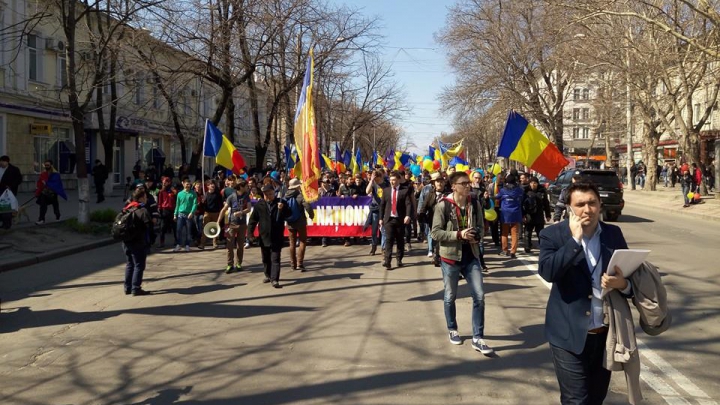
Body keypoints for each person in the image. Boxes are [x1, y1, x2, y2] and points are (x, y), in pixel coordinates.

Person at [538, 181, 632, 404]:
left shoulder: (613, 234)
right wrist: (574, 240)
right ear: (570, 208)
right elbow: (548, 272)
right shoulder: (552, 235)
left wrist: (623, 285)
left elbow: (630, 279)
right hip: (567, 334)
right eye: (580, 204)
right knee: (576, 399)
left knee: (596, 397)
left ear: (600, 204)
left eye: (592, 203)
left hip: (605, 334)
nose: (587, 209)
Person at [431, 171, 493, 355]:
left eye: (468, 183)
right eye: (463, 183)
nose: (468, 186)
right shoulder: (443, 205)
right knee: (450, 296)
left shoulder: (474, 203)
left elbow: (482, 227)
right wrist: (458, 235)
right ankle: (452, 328)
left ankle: (478, 337)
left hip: (471, 255)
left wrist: (477, 236)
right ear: (454, 186)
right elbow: (435, 233)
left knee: (479, 296)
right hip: (450, 257)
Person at [248, 184, 291, 288]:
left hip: (276, 235)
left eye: (271, 194)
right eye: (267, 194)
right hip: (264, 236)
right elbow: (253, 220)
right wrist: (250, 234)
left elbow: (289, 214)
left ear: (274, 193)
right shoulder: (260, 205)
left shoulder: (281, 202)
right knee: (266, 258)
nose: (269, 196)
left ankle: (275, 279)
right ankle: (268, 275)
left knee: (275, 258)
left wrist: (283, 209)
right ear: (263, 194)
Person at [121, 188, 152, 296]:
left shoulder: (127, 208)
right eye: (145, 197)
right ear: (141, 198)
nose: (146, 198)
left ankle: (127, 288)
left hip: (126, 241)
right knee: (139, 265)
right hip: (138, 241)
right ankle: (136, 288)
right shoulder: (142, 210)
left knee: (130, 264)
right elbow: (149, 226)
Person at [379, 170, 413, 269]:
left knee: (400, 240)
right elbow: (382, 206)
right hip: (389, 219)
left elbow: (408, 204)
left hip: (400, 219)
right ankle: (387, 261)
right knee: (389, 240)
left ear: (398, 180)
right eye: (391, 180)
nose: (392, 182)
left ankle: (399, 259)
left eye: (394, 180)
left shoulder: (404, 190)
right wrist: (381, 218)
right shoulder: (386, 191)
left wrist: (408, 215)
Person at [218, 180, 251, 273]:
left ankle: (239, 263)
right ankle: (229, 264)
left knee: (240, 246)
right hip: (232, 224)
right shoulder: (231, 197)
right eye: (245, 186)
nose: (247, 188)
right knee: (229, 245)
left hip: (242, 224)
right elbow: (224, 209)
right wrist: (218, 221)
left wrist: (241, 212)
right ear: (241, 187)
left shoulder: (246, 196)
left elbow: (248, 209)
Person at [285, 178, 314, 271]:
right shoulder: (300, 196)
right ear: (298, 186)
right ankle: (299, 263)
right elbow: (308, 207)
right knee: (302, 241)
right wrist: (311, 215)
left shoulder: (285, 196)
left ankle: (292, 264)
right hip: (300, 222)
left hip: (290, 223)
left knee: (292, 243)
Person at [417, 172, 445, 266]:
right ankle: (436, 256)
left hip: (447, 221)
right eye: (437, 182)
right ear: (434, 183)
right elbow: (424, 207)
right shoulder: (430, 194)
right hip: (433, 220)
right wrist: (421, 216)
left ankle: (442, 257)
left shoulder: (448, 194)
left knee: (443, 239)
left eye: (441, 181)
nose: (439, 184)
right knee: (435, 239)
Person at [495, 174, 524, 259]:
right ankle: (513, 251)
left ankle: (505, 250)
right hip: (516, 213)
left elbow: (497, 198)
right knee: (515, 233)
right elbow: (522, 199)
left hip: (505, 214)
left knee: (504, 232)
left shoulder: (503, 190)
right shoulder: (519, 190)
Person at [522, 176, 552, 253]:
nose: (533, 184)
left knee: (540, 232)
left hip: (539, 215)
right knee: (527, 232)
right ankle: (527, 246)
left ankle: (542, 246)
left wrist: (548, 215)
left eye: (535, 183)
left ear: (537, 184)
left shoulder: (542, 191)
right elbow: (521, 204)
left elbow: (546, 204)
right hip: (529, 215)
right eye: (531, 183)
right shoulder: (525, 191)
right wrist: (523, 215)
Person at [35, 160, 64, 225]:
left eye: (48, 165)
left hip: (52, 193)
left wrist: (48, 184)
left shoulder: (55, 174)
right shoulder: (43, 174)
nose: (46, 166)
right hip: (44, 192)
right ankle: (41, 219)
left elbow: (58, 184)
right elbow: (39, 184)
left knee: (55, 205)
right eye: (45, 165)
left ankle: (58, 217)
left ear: (51, 165)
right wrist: (37, 192)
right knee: (42, 206)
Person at [365, 170, 387, 255]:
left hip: (384, 209)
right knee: (374, 230)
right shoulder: (373, 183)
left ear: (381, 177)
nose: (376, 181)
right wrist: (371, 180)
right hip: (375, 208)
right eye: (375, 179)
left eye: (377, 179)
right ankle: (373, 247)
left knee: (383, 230)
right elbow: (367, 191)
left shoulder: (386, 184)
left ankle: (384, 248)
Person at [173, 178, 198, 252]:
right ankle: (179, 244)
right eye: (186, 184)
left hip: (189, 215)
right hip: (180, 214)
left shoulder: (193, 193)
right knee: (179, 230)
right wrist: (175, 214)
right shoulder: (179, 194)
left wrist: (192, 212)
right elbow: (177, 205)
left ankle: (187, 245)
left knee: (188, 231)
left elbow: (195, 204)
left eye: (189, 184)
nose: (188, 185)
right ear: (183, 184)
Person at [0, 155, 22, 229]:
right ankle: (3, 222)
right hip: (0, 191)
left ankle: (7, 224)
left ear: (7, 162)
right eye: (1, 162)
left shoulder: (14, 169)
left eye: (3, 162)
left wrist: (11, 186)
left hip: (8, 192)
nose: (1, 163)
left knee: (6, 208)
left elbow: (19, 179)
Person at [200, 180, 223, 250]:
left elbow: (220, 204)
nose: (212, 185)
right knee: (205, 228)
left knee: (215, 228)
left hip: (216, 213)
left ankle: (214, 243)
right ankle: (202, 244)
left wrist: (220, 213)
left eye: (213, 184)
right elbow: (202, 206)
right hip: (207, 213)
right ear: (207, 186)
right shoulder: (206, 194)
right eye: (210, 184)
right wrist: (202, 202)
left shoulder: (218, 194)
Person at [156, 176, 177, 248]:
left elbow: (176, 199)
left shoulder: (173, 190)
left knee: (174, 227)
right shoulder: (161, 191)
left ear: (169, 182)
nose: (164, 183)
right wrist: (159, 209)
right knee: (162, 227)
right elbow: (159, 201)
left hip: (172, 210)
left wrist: (174, 192)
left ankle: (176, 241)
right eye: (163, 182)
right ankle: (162, 242)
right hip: (164, 210)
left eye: (166, 182)